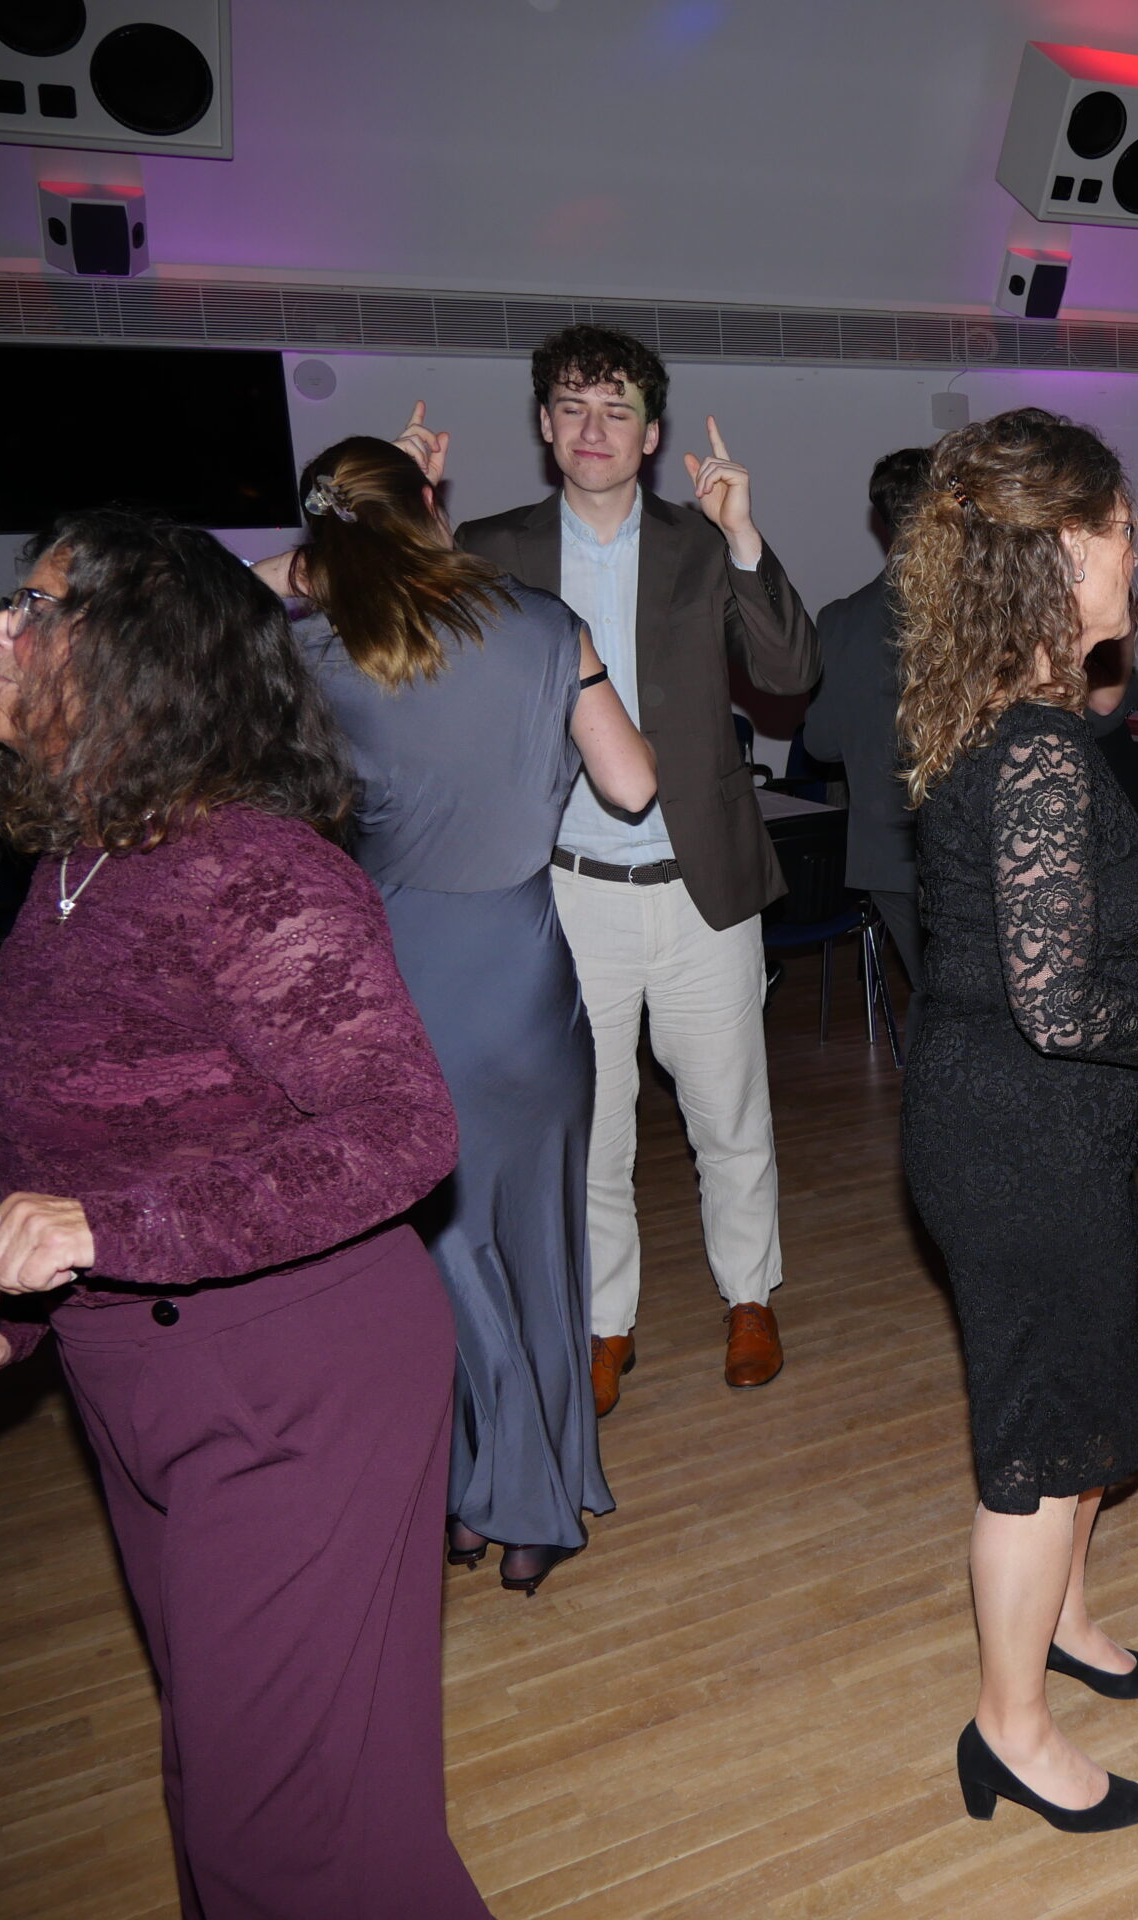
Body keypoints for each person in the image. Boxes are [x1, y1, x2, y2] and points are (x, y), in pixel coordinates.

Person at [0, 512, 485, 1913]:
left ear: (143, 654)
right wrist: (5, 1324)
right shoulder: (80, 862)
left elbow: (402, 1129)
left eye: (32, 606)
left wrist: (102, 1235)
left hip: (294, 1380)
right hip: (144, 1375)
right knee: (234, 1792)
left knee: (286, 1835)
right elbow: (79, 1137)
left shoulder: (250, 869)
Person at [892, 407, 1138, 1833]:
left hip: (1018, 1123)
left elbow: (1017, 920)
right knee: (1041, 1449)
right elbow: (1053, 1007)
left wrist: (1136, 913)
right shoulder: (1038, 748)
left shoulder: (1002, 716)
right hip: (1022, 1133)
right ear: (1056, 553)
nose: (1135, 557)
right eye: (1121, 533)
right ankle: (1011, 1729)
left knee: (1084, 1405)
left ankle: (1067, 1623)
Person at [261, 433, 658, 1595]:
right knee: (540, 1239)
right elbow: (632, 784)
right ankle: (534, 1500)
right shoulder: (543, 624)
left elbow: (206, 606)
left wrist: (319, 548)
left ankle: (477, 1493)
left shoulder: (317, 648)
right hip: (527, 978)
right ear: (431, 502)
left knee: (439, 1248)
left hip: (397, 976)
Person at [450, 325, 819, 1410]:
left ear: (651, 434)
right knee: (592, 1130)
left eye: (616, 411)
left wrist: (744, 535)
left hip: (703, 885)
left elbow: (790, 670)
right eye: (572, 408)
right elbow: (430, 672)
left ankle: (749, 1295)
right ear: (544, 425)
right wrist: (396, 526)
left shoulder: (703, 543)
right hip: (566, 892)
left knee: (730, 1118)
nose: (593, 429)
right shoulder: (491, 546)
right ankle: (605, 1321)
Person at [804, 445, 931, 987]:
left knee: (934, 998)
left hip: (885, 851)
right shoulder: (984, 613)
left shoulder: (840, 619)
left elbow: (821, 744)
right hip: (977, 853)